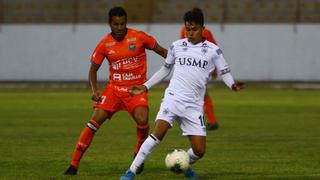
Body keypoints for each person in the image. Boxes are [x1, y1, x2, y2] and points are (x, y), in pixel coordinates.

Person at [120, 8, 244, 180]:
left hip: (194, 106)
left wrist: (232, 85)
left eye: (194, 29)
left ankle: (183, 163)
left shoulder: (213, 50)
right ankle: (130, 172)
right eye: (188, 29)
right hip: (173, 98)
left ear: (203, 29)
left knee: (199, 151)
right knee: (158, 134)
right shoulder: (177, 46)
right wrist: (145, 86)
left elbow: (224, 72)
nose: (190, 32)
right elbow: (165, 69)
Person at [64, 6, 167, 175]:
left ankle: (138, 155)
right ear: (109, 24)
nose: (119, 28)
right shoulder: (105, 44)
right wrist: (94, 90)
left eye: (122, 24)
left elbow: (162, 51)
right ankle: (73, 164)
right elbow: (93, 70)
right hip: (113, 90)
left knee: (143, 120)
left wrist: (180, 61)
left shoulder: (140, 37)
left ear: (126, 23)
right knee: (93, 122)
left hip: (135, 89)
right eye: (116, 24)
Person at [180, 8, 219, 130]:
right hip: (189, 67)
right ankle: (205, 121)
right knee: (198, 94)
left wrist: (214, 68)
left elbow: (214, 50)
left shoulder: (205, 32)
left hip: (201, 67)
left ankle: (208, 121)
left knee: (202, 94)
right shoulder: (184, 30)